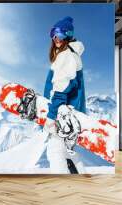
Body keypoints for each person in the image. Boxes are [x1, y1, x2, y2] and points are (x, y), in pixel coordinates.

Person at [43, 16, 86, 174]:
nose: (55, 38)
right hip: (69, 114)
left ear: (67, 34)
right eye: (53, 34)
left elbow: (62, 88)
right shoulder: (71, 54)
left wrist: (51, 116)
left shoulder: (66, 55)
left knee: (55, 152)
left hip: (63, 115)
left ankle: (61, 189)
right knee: (67, 153)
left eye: (59, 34)